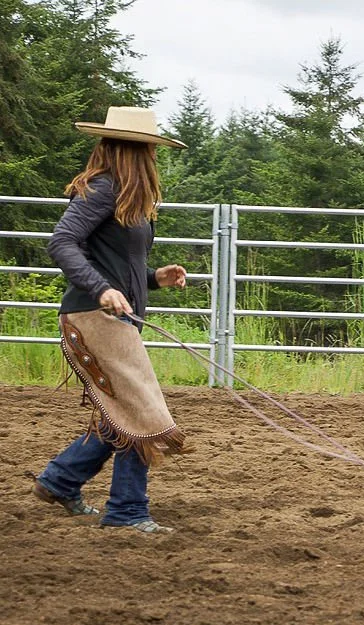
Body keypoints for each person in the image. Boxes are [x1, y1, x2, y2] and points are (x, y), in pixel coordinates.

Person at [31, 106, 189, 534]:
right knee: (141, 413)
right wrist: (100, 289)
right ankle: (126, 512)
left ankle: (60, 481)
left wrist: (154, 278)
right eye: (149, 150)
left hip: (112, 318)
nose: (154, 158)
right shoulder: (103, 188)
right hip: (92, 316)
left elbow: (117, 264)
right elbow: (61, 242)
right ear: (133, 150)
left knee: (118, 415)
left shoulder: (128, 197)